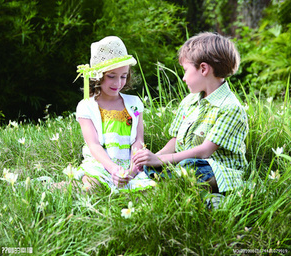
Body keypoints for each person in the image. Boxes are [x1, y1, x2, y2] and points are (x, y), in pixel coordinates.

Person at [132, 32, 248, 194]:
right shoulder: (189, 101)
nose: (184, 78)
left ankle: (192, 191)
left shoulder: (230, 107)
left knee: (191, 168)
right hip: (183, 164)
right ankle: (168, 184)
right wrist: (151, 159)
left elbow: (204, 151)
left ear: (203, 69)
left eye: (186, 70)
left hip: (216, 169)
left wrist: (159, 160)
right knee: (158, 167)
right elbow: (175, 140)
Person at [74, 36, 154, 192]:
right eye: (111, 76)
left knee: (148, 190)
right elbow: (94, 145)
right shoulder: (87, 107)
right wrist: (112, 169)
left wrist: (133, 169)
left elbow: (138, 140)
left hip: (129, 164)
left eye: (123, 76)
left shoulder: (134, 104)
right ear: (98, 75)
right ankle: (59, 187)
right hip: (101, 164)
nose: (118, 83)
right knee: (92, 188)